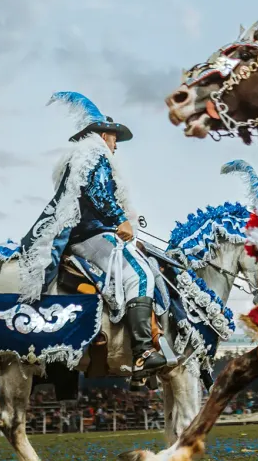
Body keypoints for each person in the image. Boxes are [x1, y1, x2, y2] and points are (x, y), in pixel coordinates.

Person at [18, 91, 176, 387]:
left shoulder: (79, 157)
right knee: (140, 274)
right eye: (114, 139)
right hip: (93, 235)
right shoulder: (95, 153)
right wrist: (121, 220)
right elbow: (98, 193)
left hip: (82, 235)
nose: (115, 145)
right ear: (104, 135)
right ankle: (142, 351)